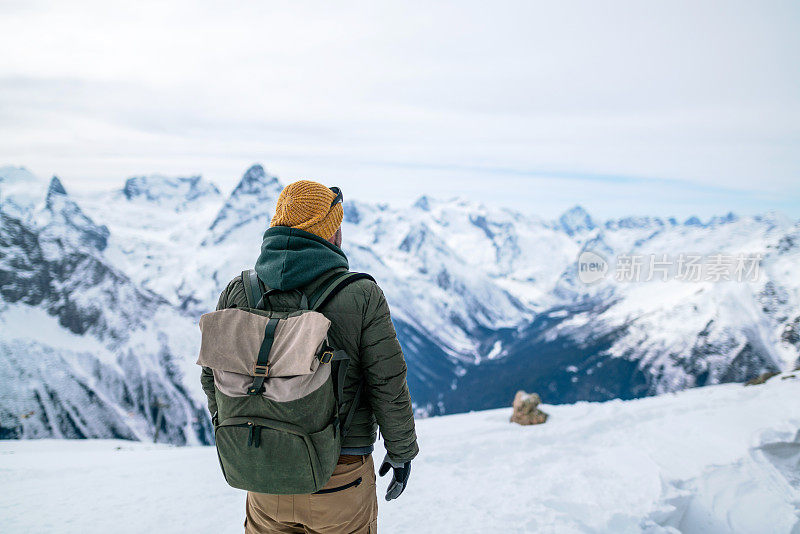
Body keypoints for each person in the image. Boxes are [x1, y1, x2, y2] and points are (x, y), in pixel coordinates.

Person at [200, 179, 419, 533]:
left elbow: (213, 376)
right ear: (331, 234)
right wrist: (402, 450)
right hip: (340, 472)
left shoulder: (238, 291)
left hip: (264, 473)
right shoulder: (361, 295)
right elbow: (388, 383)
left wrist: (243, 427)